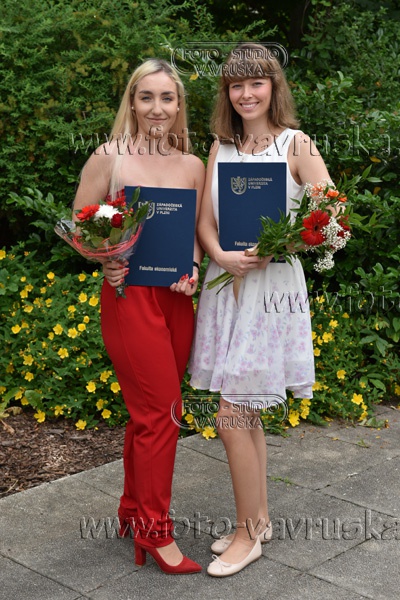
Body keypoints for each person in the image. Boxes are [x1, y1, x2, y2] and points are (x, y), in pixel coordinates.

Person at [189, 43, 332, 577]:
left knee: (231, 415)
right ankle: (260, 519)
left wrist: (282, 244)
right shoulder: (220, 146)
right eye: (236, 85)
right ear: (226, 92)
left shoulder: (297, 144)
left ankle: (248, 536)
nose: (246, 94)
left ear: (274, 87)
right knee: (241, 412)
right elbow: (205, 221)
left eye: (256, 83)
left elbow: (331, 216)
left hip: (271, 294)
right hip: (226, 285)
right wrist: (222, 254)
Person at [73, 59, 205, 574]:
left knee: (148, 414)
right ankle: (155, 532)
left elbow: (194, 235)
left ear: (179, 105)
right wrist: (105, 259)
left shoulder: (191, 165)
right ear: (132, 101)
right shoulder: (109, 158)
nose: (157, 108)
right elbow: (81, 226)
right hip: (130, 299)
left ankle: (132, 510)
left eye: (167, 98)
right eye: (146, 97)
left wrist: (193, 268)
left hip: (176, 302)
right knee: (163, 414)